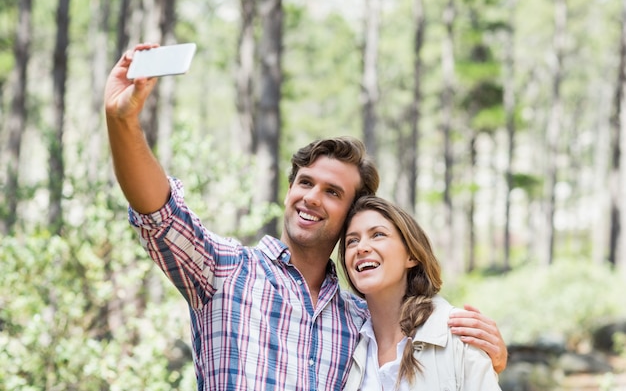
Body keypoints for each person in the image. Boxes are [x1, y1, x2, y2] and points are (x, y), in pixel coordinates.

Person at [104, 43, 507, 390]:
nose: (311, 197)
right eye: (305, 183)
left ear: (350, 212)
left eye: (332, 192)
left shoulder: (360, 321)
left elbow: (422, 355)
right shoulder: (224, 272)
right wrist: (122, 121)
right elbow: (158, 213)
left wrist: (483, 358)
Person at [339, 195, 502, 390]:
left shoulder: (458, 335)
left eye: (378, 235)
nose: (361, 248)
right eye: (352, 241)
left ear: (412, 255)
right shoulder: (348, 343)